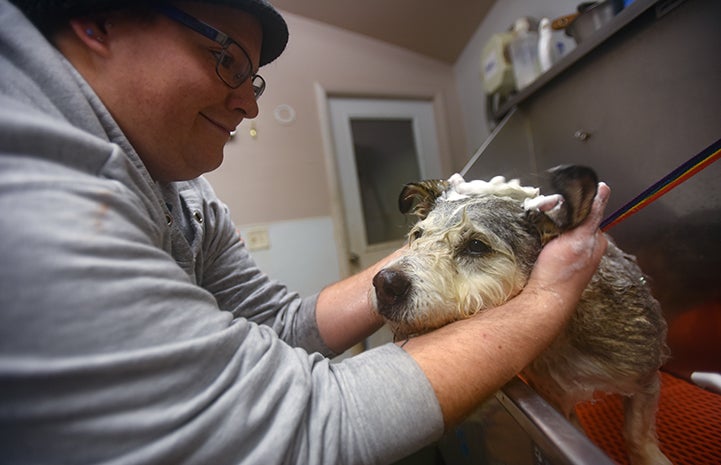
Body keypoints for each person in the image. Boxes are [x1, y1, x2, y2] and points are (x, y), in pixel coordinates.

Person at [0, 0, 610, 463]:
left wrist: (428, 253)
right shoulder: (31, 186)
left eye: (253, 78)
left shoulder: (184, 193)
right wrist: (551, 295)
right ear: (99, 20)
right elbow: (303, 427)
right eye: (229, 61)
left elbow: (280, 324)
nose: (250, 104)